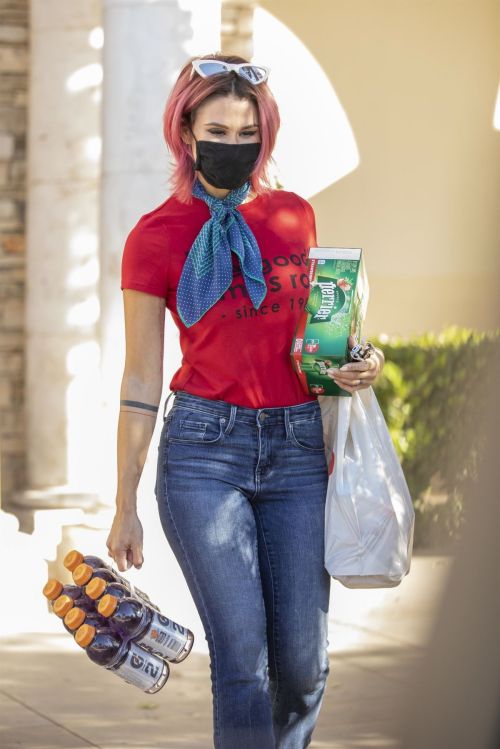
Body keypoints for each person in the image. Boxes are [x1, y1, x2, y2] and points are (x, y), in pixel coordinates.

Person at [106, 53, 385, 749]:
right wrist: (124, 501)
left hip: (295, 452)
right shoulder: (154, 235)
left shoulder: (296, 217)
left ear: (267, 133)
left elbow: (322, 339)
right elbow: (142, 376)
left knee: (304, 665)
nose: (234, 145)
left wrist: (358, 361)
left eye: (247, 132)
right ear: (186, 131)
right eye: (218, 130)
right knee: (244, 666)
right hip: (204, 453)